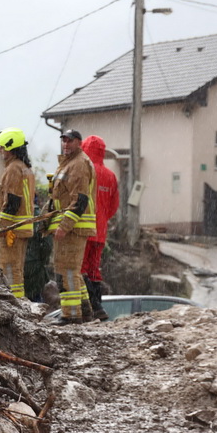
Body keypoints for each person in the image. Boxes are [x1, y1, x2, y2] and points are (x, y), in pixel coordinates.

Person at [46, 129, 97, 324]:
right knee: (71, 271)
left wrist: (64, 226)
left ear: (79, 143)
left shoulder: (78, 165)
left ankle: (71, 315)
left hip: (73, 228)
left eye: (70, 141)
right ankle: (84, 312)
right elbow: (59, 197)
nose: (66, 144)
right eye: (64, 141)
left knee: (66, 270)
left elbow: (80, 199)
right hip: (70, 226)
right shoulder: (69, 164)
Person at [0, 128, 36, 298]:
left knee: (8, 268)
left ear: (12, 147)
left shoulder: (13, 169)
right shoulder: (25, 168)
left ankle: (13, 303)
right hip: (21, 228)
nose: (0, 151)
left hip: (12, 230)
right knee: (16, 269)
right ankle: (18, 302)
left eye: (3, 147)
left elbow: (13, 201)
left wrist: (3, 227)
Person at [80, 135, 120, 320]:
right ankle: (98, 306)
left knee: (80, 268)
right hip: (100, 231)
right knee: (94, 269)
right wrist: (102, 219)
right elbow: (113, 206)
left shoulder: (84, 170)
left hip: (83, 228)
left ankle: (91, 305)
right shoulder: (110, 175)